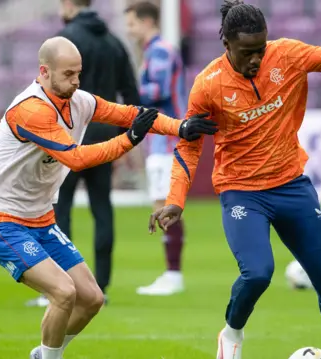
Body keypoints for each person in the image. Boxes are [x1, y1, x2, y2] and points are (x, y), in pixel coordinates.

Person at [0, 36, 216, 359]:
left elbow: (130, 114)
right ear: (44, 72)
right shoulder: (31, 110)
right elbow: (76, 159)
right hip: (0, 222)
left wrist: (181, 127)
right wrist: (130, 141)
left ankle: (43, 353)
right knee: (63, 292)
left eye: (78, 73)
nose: (76, 82)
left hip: (40, 221)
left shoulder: (79, 101)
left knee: (91, 298)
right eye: (68, 75)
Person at [149, 1, 321, 359]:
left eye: (260, 50)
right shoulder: (208, 85)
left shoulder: (288, 56)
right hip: (242, 193)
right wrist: (176, 198)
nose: (256, 59)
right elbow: (188, 147)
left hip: (291, 185)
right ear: (227, 46)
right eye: (247, 52)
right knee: (258, 273)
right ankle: (232, 333)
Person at [30, 0, 142, 307]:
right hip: (104, 139)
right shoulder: (114, 42)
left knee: (57, 210)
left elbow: (47, 92)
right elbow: (132, 96)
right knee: (102, 209)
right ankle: (100, 287)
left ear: (68, 4)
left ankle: (59, 286)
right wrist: (121, 140)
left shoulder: (64, 43)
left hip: (68, 139)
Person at [124, 1, 187, 296]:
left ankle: (173, 275)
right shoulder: (154, 50)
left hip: (168, 138)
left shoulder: (160, 50)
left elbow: (158, 90)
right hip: (160, 139)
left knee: (164, 204)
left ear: (148, 21)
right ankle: (171, 273)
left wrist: (128, 91)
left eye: (132, 23)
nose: (129, 28)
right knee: (161, 204)